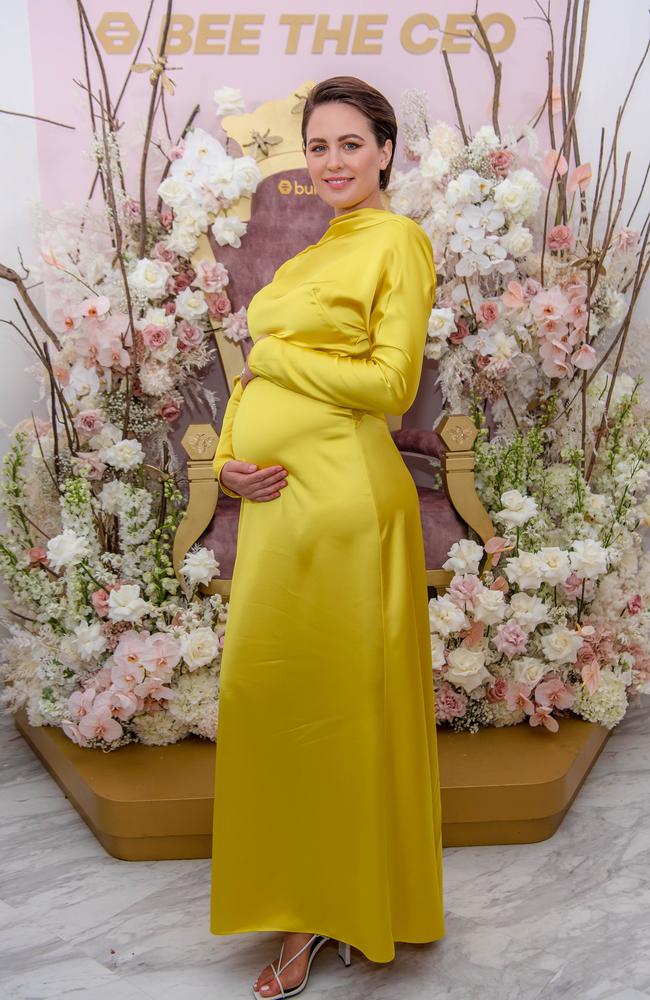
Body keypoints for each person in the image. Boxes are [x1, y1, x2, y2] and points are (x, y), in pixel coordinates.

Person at [209, 75, 445, 999]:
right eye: (318, 146)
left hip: (347, 506)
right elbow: (254, 393)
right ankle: (300, 899)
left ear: (386, 151)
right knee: (274, 700)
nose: (333, 161)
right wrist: (229, 459)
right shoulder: (310, 255)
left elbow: (390, 386)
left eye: (351, 143)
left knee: (340, 708)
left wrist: (269, 353)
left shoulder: (398, 241)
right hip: (277, 509)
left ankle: (337, 912)